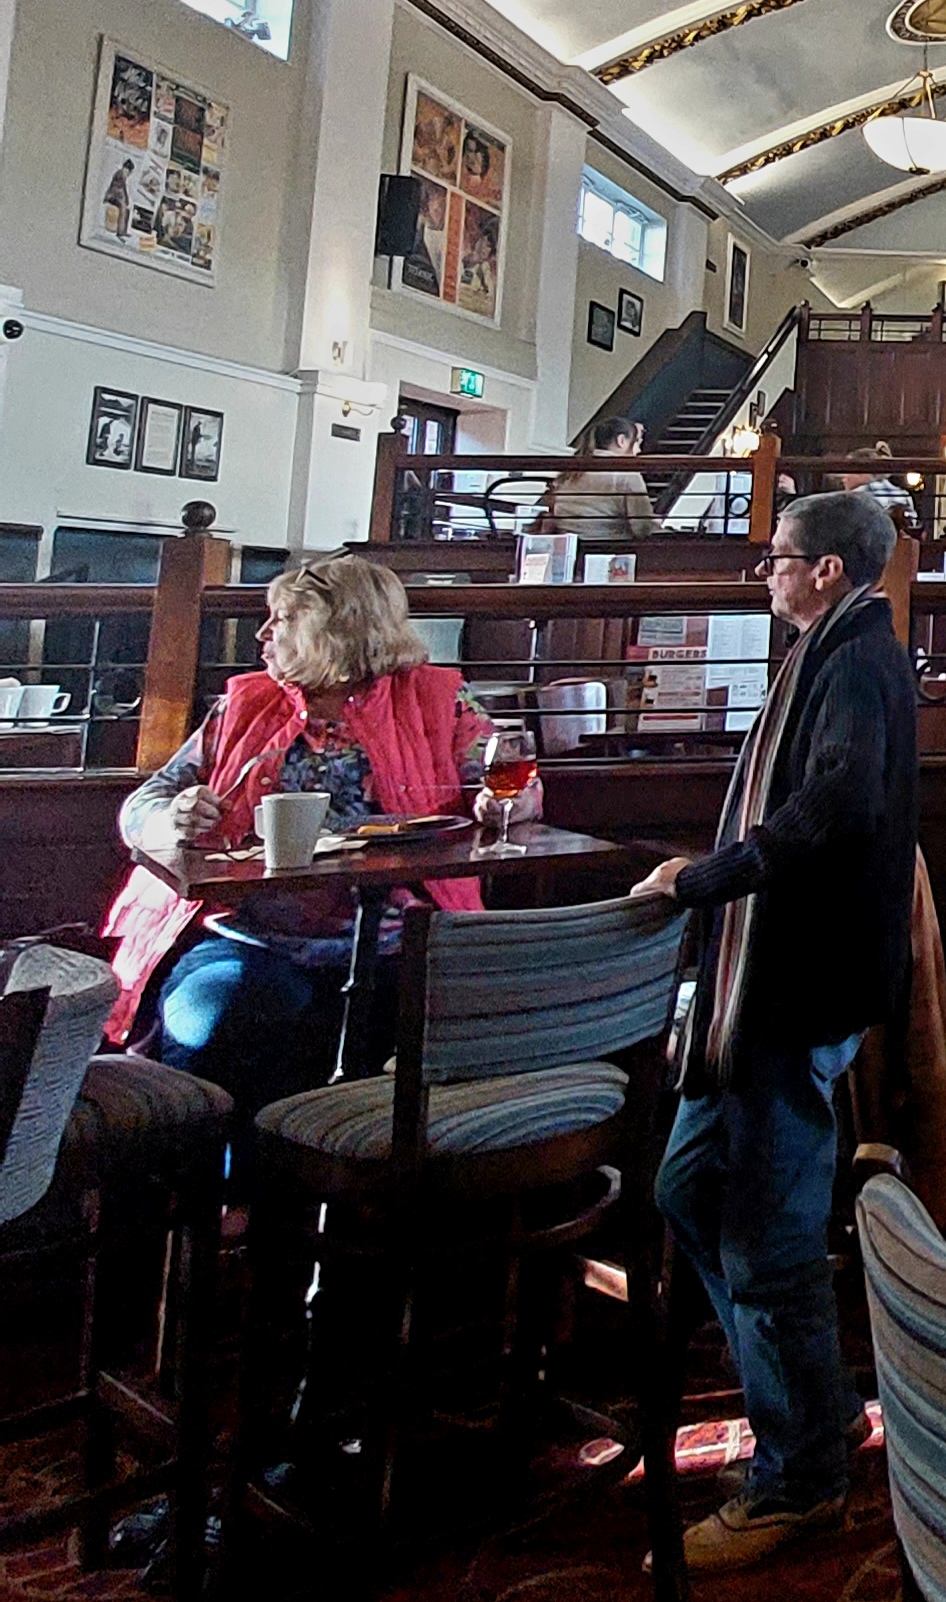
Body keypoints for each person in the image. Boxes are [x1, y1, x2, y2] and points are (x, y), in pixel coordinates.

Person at [637, 489, 916, 1573]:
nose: (767, 572)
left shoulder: (854, 661)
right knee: (690, 1189)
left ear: (828, 569)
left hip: (797, 983)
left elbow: (837, 805)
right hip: (764, 986)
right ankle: (813, 1400)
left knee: (763, 1229)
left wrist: (712, 877)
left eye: (779, 557)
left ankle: (800, 1476)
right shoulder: (835, 649)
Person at [107, 554, 495, 1109]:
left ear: (338, 630)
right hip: (249, 935)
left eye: (282, 619)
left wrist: (505, 802)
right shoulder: (244, 704)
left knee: (480, 1022)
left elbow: (507, 788)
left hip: (401, 941)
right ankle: (221, 1165)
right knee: (218, 1019)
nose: (262, 633)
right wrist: (170, 819)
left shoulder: (439, 701)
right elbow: (144, 803)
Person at [548, 418, 656, 543]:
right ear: (621, 441)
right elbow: (642, 528)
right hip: (608, 547)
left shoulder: (571, 472)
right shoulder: (627, 474)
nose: (639, 451)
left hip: (569, 546)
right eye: (637, 443)